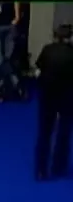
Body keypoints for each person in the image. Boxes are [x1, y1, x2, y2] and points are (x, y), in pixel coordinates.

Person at [36, 24, 73, 180]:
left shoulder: (47, 50)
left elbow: (38, 70)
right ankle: (59, 165)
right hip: (67, 97)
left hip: (47, 95)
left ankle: (41, 170)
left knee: (44, 133)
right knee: (64, 131)